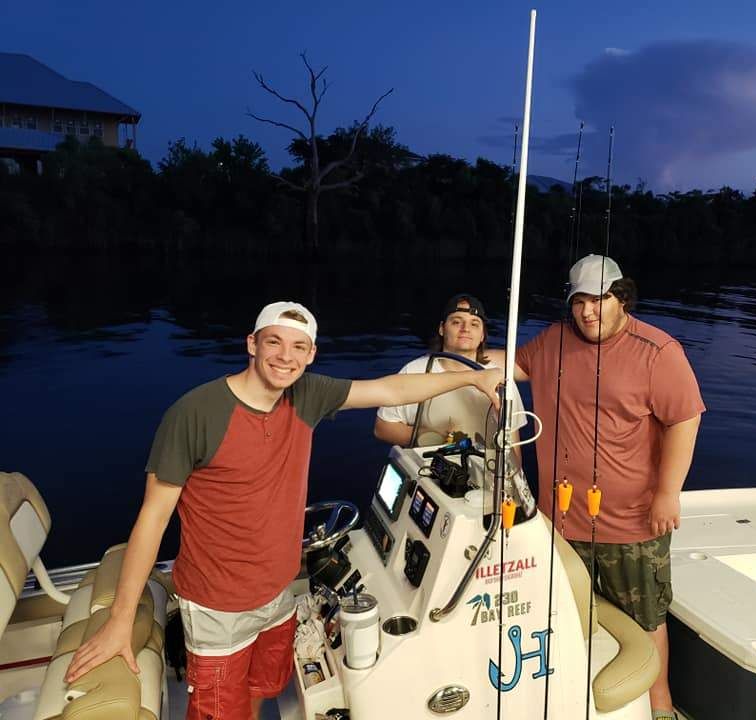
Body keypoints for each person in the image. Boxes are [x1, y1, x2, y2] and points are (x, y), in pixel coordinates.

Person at [64, 300, 503, 720]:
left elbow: (390, 388)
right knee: (218, 711)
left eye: (298, 347)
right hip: (218, 605)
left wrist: (471, 379)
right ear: (252, 343)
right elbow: (153, 519)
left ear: (311, 354)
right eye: (274, 342)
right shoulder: (194, 413)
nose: (285, 357)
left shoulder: (307, 394)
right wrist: (121, 622)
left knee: (259, 692)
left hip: (280, 593)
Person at [511, 255, 704, 720]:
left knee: (647, 617)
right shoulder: (552, 342)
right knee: (568, 608)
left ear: (622, 298)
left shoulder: (658, 351)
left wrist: (667, 492)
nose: (588, 312)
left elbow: (685, 418)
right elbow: (510, 368)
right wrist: (462, 351)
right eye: (579, 301)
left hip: (633, 521)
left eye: (600, 299)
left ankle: (661, 705)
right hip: (560, 518)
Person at [373, 293, 527, 447]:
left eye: (474, 324)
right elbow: (382, 428)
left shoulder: (501, 380)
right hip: (429, 466)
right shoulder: (415, 371)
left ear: (482, 335)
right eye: (456, 322)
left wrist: (513, 471)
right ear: (442, 329)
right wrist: (430, 439)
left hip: (486, 468)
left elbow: (513, 443)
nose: (465, 329)